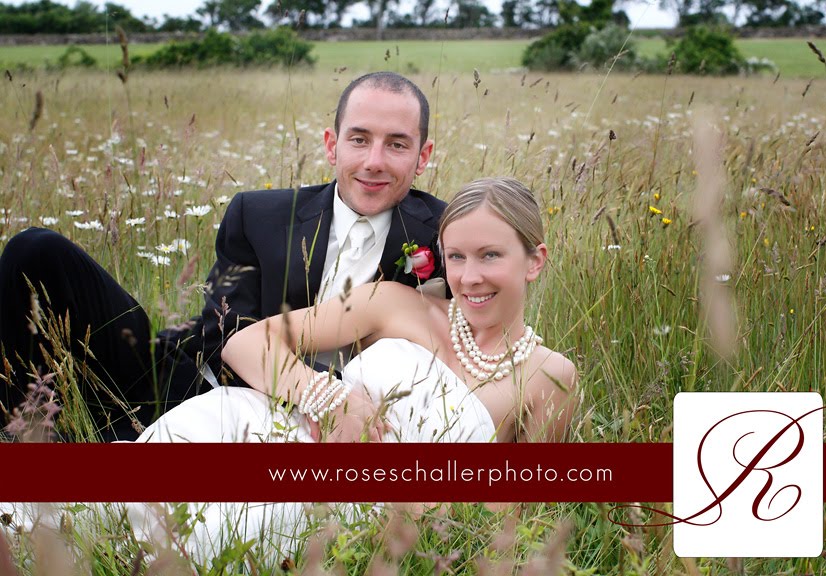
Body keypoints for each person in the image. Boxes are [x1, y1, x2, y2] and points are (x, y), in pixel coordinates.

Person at [121, 177, 579, 562]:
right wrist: (329, 397)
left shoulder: (549, 377)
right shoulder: (395, 302)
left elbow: (516, 515)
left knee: (212, 535)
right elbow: (244, 342)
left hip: (347, 507)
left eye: (491, 255)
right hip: (266, 428)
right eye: (456, 256)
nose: (470, 276)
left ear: (534, 260)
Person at [0, 71, 444, 441]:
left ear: (422, 156)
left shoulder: (446, 235)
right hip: (190, 385)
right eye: (360, 140)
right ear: (332, 145)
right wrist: (320, 394)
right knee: (37, 252)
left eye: (397, 145)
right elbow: (230, 335)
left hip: (302, 430)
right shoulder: (259, 213)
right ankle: (25, 441)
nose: (374, 161)